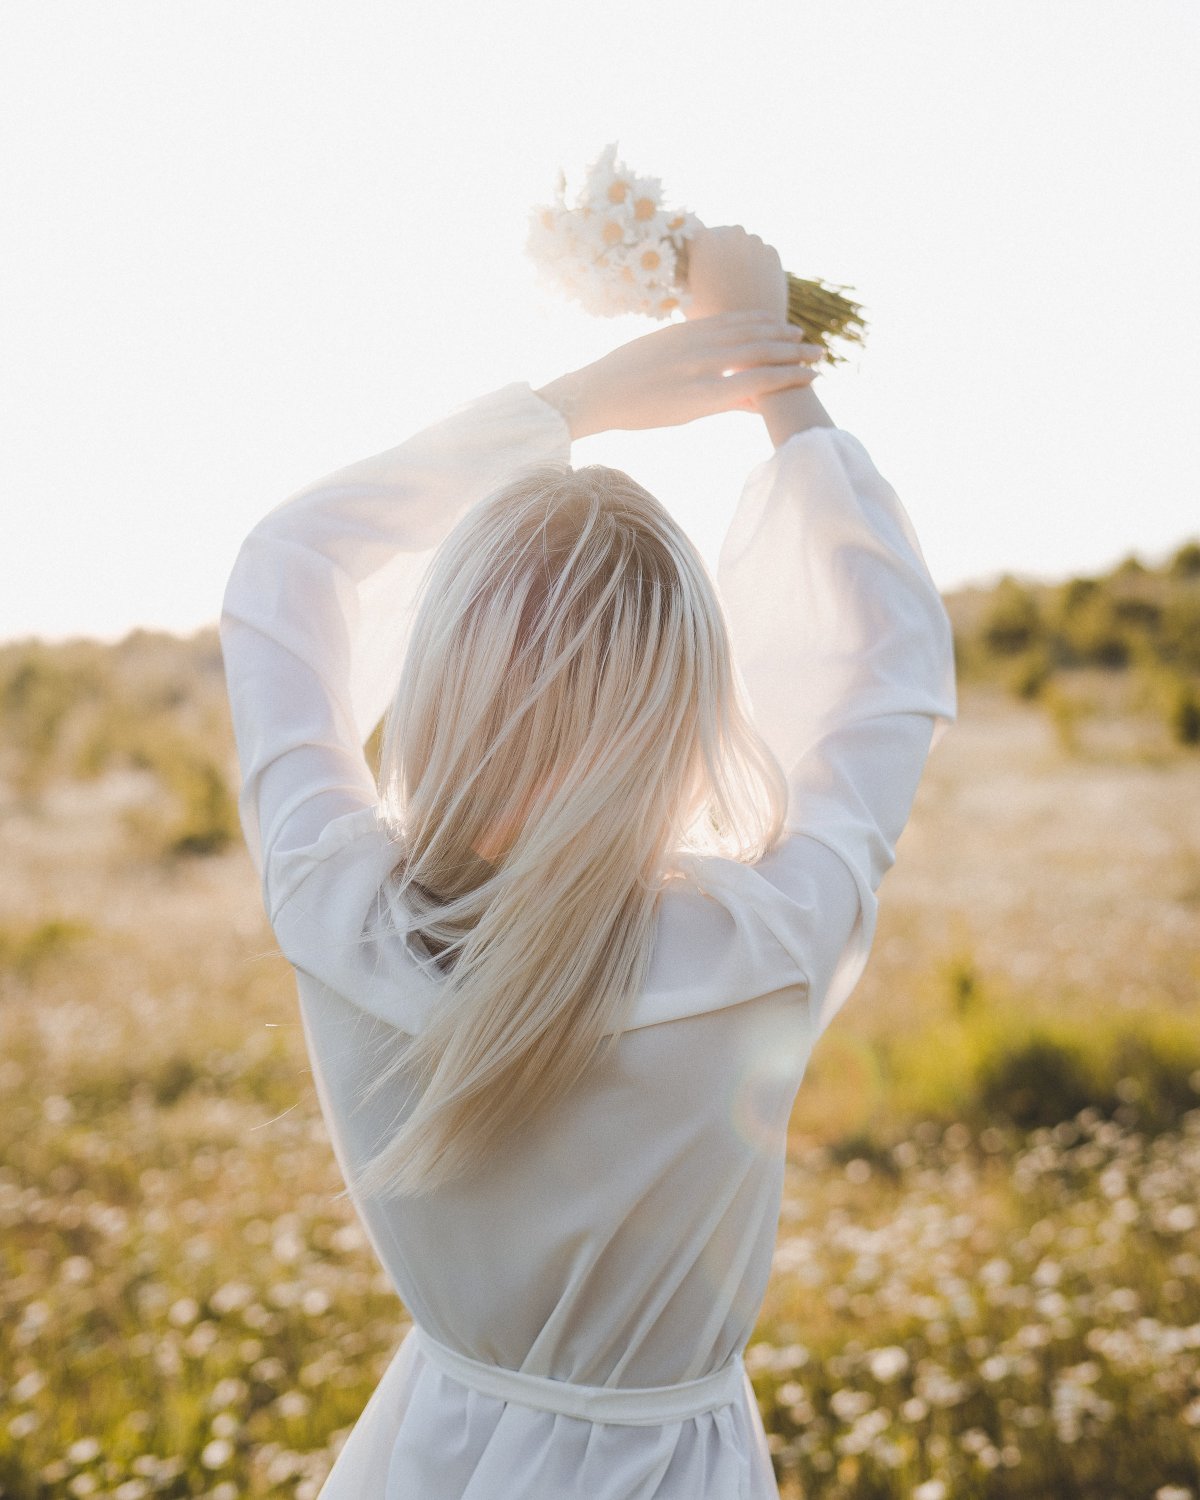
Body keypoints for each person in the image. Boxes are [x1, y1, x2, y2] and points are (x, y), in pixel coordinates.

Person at [219, 225, 957, 1499]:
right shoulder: (765, 941)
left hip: (424, 1455)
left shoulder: (336, 908)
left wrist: (581, 403)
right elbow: (891, 658)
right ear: (687, 707)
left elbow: (286, 570)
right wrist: (780, 380)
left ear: (442, 676)